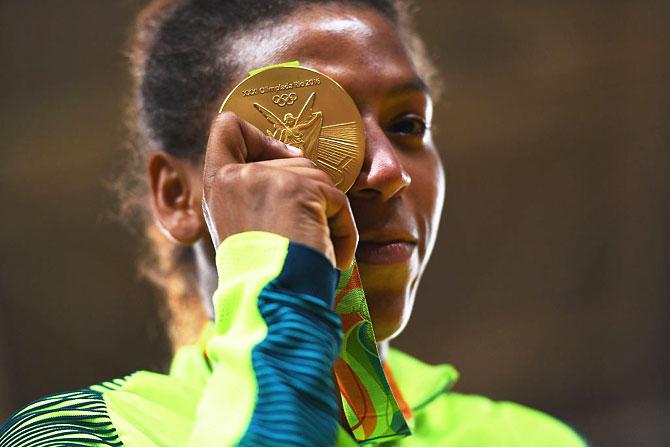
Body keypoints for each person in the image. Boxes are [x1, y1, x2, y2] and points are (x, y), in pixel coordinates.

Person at [0, 1, 589, 446]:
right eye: (300, 133)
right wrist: (283, 292)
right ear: (179, 195)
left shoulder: (534, 438)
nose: (387, 171)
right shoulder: (84, 433)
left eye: (408, 125)